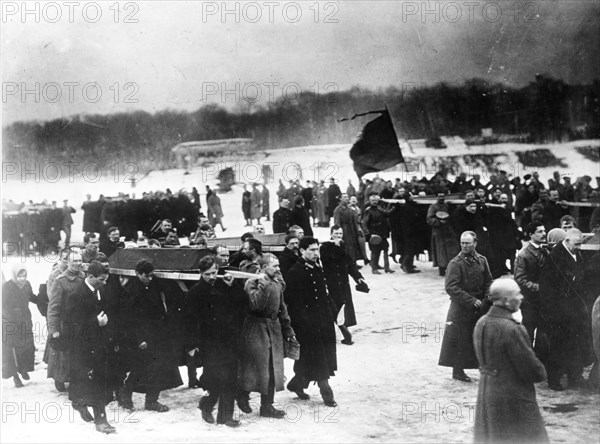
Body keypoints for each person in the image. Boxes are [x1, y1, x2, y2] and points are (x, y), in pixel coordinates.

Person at [473, 279, 548, 443]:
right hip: (513, 397)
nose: (521, 297)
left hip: (487, 393)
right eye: (517, 294)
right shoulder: (513, 329)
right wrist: (542, 369)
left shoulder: (481, 323)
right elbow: (532, 370)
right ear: (506, 300)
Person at [185, 256, 245, 427]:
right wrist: (191, 345)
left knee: (231, 379)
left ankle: (226, 417)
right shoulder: (195, 292)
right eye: (208, 274)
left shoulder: (223, 286)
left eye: (215, 272)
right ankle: (207, 405)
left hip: (229, 340)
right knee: (218, 379)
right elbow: (189, 321)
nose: (212, 276)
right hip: (209, 343)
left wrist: (233, 285)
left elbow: (242, 302)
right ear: (201, 273)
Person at [64, 261, 119, 434]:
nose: (104, 283)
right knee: (94, 383)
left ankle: (83, 405)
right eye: (101, 279)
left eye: (106, 280)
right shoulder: (76, 294)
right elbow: (73, 324)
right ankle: (100, 420)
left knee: (100, 382)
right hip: (83, 348)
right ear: (90, 276)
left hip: (100, 345)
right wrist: (96, 322)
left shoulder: (100, 290)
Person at [120, 260, 183, 411]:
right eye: (146, 276)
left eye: (152, 276)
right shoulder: (130, 290)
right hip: (142, 337)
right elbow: (129, 319)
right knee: (140, 368)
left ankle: (151, 401)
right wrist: (139, 339)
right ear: (137, 274)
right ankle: (125, 394)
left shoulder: (153, 283)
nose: (150, 278)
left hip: (158, 334)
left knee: (159, 368)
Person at [239, 253, 297, 419]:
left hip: (274, 328)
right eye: (275, 266)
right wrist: (263, 284)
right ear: (263, 268)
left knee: (273, 368)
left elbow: (282, 307)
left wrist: (288, 329)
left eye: (279, 265)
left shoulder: (278, 283)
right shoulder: (252, 283)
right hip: (256, 329)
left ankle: (267, 406)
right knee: (256, 368)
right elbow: (257, 305)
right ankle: (242, 395)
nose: (279, 269)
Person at [285, 237, 338, 407]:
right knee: (317, 358)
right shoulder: (295, 272)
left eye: (317, 250)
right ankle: (326, 391)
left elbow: (324, 294)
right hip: (307, 325)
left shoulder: (317, 268)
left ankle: (296, 384)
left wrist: (334, 314)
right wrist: (303, 325)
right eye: (312, 250)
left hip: (323, 321)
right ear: (301, 251)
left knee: (314, 358)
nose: (316, 253)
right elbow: (293, 304)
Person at [539, 228, 591, 390]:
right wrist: (552, 312)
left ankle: (574, 376)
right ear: (567, 241)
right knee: (558, 347)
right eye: (576, 244)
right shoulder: (554, 258)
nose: (579, 247)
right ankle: (553, 380)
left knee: (575, 345)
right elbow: (546, 288)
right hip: (558, 313)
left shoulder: (577, 254)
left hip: (574, 312)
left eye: (580, 245)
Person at [438, 231, 493, 382]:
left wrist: (488, 295)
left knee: (478, 337)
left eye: (467, 243)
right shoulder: (455, 263)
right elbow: (451, 287)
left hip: (480, 305)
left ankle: (482, 367)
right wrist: (470, 300)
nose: (464, 245)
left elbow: (489, 280)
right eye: (462, 242)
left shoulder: (482, 260)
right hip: (462, 307)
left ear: (475, 243)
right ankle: (458, 371)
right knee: (460, 340)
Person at [320, 225, 366, 345]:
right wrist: (337, 248)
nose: (338, 236)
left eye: (340, 234)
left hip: (344, 282)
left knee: (344, 306)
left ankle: (344, 333)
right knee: (336, 307)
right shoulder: (325, 247)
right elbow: (328, 260)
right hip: (332, 282)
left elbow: (350, 264)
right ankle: (339, 334)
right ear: (331, 234)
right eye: (336, 234)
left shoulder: (343, 246)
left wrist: (359, 278)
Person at [47, 250, 86, 392]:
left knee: (79, 355)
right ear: (67, 262)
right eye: (74, 261)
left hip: (81, 324)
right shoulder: (60, 281)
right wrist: (54, 329)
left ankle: (76, 381)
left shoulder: (84, 278)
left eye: (80, 261)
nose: (77, 264)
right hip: (66, 325)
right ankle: (60, 379)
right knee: (64, 355)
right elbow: (53, 308)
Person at [2, 264, 37, 388]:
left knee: (27, 347)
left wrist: (43, 301)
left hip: (25, 320)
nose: (22, 278)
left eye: (24, 275)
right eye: (19, 276)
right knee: (13, 350)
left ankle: (24, 369)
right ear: (14, 275)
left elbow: (31, 297)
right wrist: (9, 320)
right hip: (11, 322)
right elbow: (4, 305)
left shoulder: (27, 285)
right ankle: (15, 376)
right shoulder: (7, 287)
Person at [514, 221, 549, 342]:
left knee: (543, 330)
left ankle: (539, 357)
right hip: (530, 300)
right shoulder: (524, 254)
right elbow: (519, 279)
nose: (544, 234)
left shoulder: (545, 250)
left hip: (543, 299)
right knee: (528, 331)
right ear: (531, 235)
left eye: (544, 231)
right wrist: (538, 287)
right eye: (540, 232)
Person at [361, 193, 395, 274]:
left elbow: (387, 213)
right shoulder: (368, 211)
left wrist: (394, 208)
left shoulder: (380, 208)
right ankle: (374, 268)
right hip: (374, 235)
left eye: (376, 200)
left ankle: (387, 267)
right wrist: (369, 234)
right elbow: (364, 224)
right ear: (370, 201)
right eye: (373, 200)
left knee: (386, 250)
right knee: (375, 252)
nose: (374, 202)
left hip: (382, 234)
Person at [333, 193, 364, 264]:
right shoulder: (338, 209)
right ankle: (348, 263)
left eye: (347, 197)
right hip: (344, 230)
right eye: (344, 197)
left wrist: (356, 231)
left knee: (353, 245)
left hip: (351, 229)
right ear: (340, 199)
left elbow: (354, 221)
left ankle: (354, 262)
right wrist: (339, 233)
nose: (347, 198)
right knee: (347, 246)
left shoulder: (350, 209)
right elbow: (337, 222)